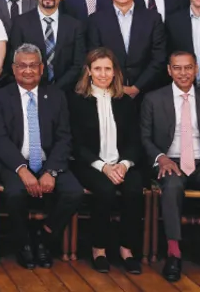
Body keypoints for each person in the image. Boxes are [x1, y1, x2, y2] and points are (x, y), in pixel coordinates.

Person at [140, 51, 200, 286]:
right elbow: (144, 137)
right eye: (177, 68)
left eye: (188, 68)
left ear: (196, 69)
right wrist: (161, 157)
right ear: (169, 70)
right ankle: (174, 254)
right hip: (170, 161)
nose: (183, 73)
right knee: (172, 186)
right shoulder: (153, 99)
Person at [0, 43, 84, 270]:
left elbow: (64, 138)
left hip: (48, 162)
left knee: (74, 192)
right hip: (14, 164)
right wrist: (22, 170)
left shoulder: (57, 96)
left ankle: (44, 238)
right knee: (14, 193)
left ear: (42, 69)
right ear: (13, 68)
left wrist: (50, 171)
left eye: (33, 66)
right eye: (22, 66)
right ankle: (23, 245)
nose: (27, 71)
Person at [66, 48, 144, 274]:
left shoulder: (125, 101)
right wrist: (104, 167)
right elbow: (77, 144)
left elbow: (134, 140)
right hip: (90, 164)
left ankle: (126, 249)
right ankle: (98, 249)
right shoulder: (77, 100)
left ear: (115, 72)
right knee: (105, 191)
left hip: (122, 164)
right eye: (97, 69)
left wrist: (124, 164)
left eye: (107, 69)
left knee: (134, 190)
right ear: (88, 71)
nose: (102, 74)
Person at [87, 0, 167, 98]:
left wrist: (137, 87)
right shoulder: (96, 20)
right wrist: (117, 86)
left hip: (147, 92)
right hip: (109, 91)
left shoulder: (153, 18)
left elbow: (159, 58)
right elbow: (95, 57)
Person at [7, 0, 85, 93]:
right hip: (29, 90)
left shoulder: (74, 26)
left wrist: (56, 89)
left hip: (65, 93)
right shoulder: (20, 23)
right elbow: (14, 60)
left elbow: (78, 64)